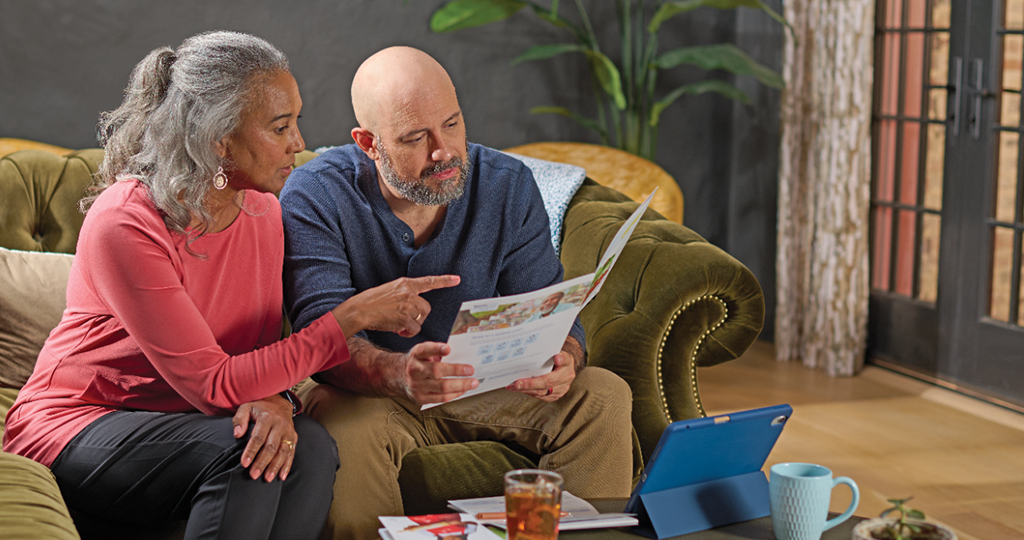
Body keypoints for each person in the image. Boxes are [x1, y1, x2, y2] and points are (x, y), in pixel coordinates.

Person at [2, 32, 455, 540]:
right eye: (280, 127)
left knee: (307, 446)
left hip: (195, 424)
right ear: (219, 138)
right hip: (80, 425)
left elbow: (259, 358)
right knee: (248, 453)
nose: (299, 143)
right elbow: (213, 384)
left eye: (296, 122)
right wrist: (351, 317)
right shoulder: (127, 220)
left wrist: (277, 402)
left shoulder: (262, 213)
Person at [279, 46, 634, 540]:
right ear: (368, 143)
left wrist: (565, 354)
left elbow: (549, 304)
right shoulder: (315, 194)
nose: (443, 150)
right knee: (342, 430)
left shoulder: (507, 185)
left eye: (451, 124)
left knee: (601, 395)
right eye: (415, 138)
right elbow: (318, 337)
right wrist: (400, 373)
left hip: (486, 384)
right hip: (368, 394)